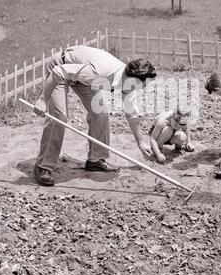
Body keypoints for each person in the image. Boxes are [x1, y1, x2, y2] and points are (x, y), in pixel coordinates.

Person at [33, 45, 157, 186]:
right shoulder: (99, 71)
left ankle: (95, 160)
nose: (143, 89)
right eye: (143, 85)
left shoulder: (128, 83)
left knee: (100, 114)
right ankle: (43, 166)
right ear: (133, 79)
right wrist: (43, 100)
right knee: (59, 117)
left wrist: (140, 141)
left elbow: (132, 114)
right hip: (61, 68)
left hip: (82, 77)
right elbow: (58, 72)